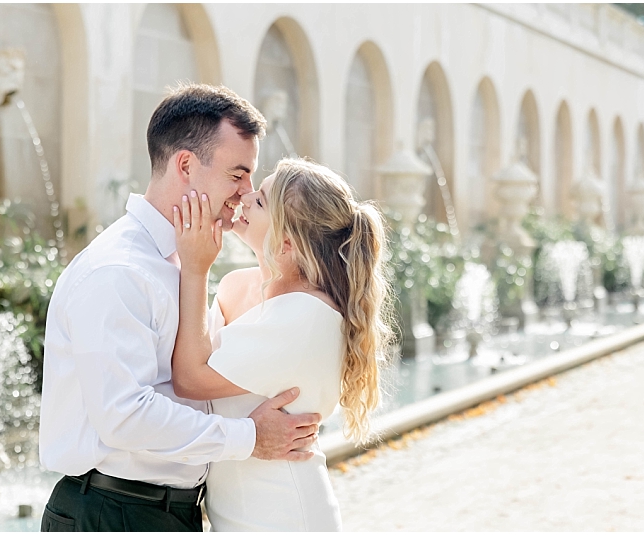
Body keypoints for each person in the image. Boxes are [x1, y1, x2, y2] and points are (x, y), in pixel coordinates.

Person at [38, 84, 322, 532]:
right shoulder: (117, 271)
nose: (245, 193)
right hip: (113, 513)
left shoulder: (186, 260)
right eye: (237, 175)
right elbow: (125, 416)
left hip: (171, 513)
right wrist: (249, 437)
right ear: (186, 165)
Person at [171, 157, 394, 531]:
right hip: (233, 513)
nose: (245, 194)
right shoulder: (235, 285)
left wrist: (195, 268)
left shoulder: (306, 315)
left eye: (260, 201)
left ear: (287, 242)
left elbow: (191, 380)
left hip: (283, 514)